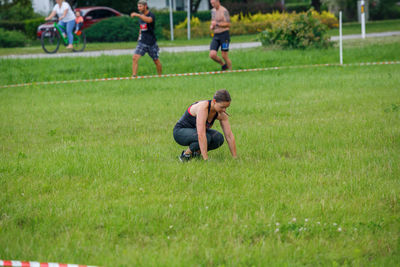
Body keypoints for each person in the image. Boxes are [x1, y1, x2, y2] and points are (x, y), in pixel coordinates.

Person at [173, 89, 237, 161]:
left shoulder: (221, 114)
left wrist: (235, 158)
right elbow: (201, 134)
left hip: (195, 133)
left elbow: (229, 136)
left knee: (218, 138)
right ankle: (185, 155)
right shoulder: (203, 108)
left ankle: (196, 154)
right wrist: (206, 159)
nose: (224, 110)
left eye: (226, 107)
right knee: (206, 137)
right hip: (180, 132)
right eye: (222, 107)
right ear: (214, 101)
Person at [130, 0, 162, 77]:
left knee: (156, 61)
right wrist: (139, 35)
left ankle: (160, 76)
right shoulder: (140, 16)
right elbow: (141, 27)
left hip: (151, 42)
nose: (139, 8)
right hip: (142, 41)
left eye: (140, 6)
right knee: (135, 58)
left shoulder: (151, 15)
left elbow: (148, 20)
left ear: (145, 6)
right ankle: (134, 76)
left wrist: (137, 15)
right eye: (138, 6)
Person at [209, 0, 232, 71]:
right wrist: (212, 26)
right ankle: (223, 65)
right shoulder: (212, 11)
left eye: (213, 3)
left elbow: (228, 24)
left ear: (218, 1)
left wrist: (217, 24)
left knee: (224, 55)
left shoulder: (224, 11)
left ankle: (231, 70)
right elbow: (213, 21)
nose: (212, 5)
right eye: (211, 3)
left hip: (224, 36)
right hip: (216, 36)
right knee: (212, 55)